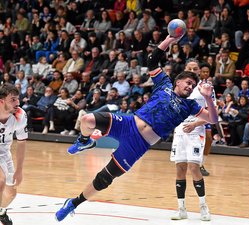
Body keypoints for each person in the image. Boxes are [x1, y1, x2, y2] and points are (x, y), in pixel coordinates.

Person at [55, 35, 218, 222]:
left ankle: (73, 203)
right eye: (188, 83)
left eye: (193, 85)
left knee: (104, 179)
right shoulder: (164, 84)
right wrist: (169, 39)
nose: (190, 87)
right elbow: (152, 60)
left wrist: (207, 99)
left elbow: (212, 119)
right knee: (87, 119)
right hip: (128, 124)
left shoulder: (190, 106)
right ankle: (84, 141)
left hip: (138, 145)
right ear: (178, 82)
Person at [170, 61, 215, 221]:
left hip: (196, 131)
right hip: (180, 131)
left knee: (194, 167)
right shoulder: (179, 88)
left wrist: (196, 123)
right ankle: (181, 208)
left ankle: (204, 207)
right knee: (180, 168)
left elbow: (213, 113)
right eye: (190, 68)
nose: (193, 70)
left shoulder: (206, 88)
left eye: (196, 69)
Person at [0, 83, 28, 225]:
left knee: (11, 193)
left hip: (4, 153)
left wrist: (19, 170)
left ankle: (1, 212)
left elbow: (22, 142)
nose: (17, 103)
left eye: (18, 99)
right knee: (1, 180)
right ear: (2, 101)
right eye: (13, 100)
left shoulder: (20, 115)